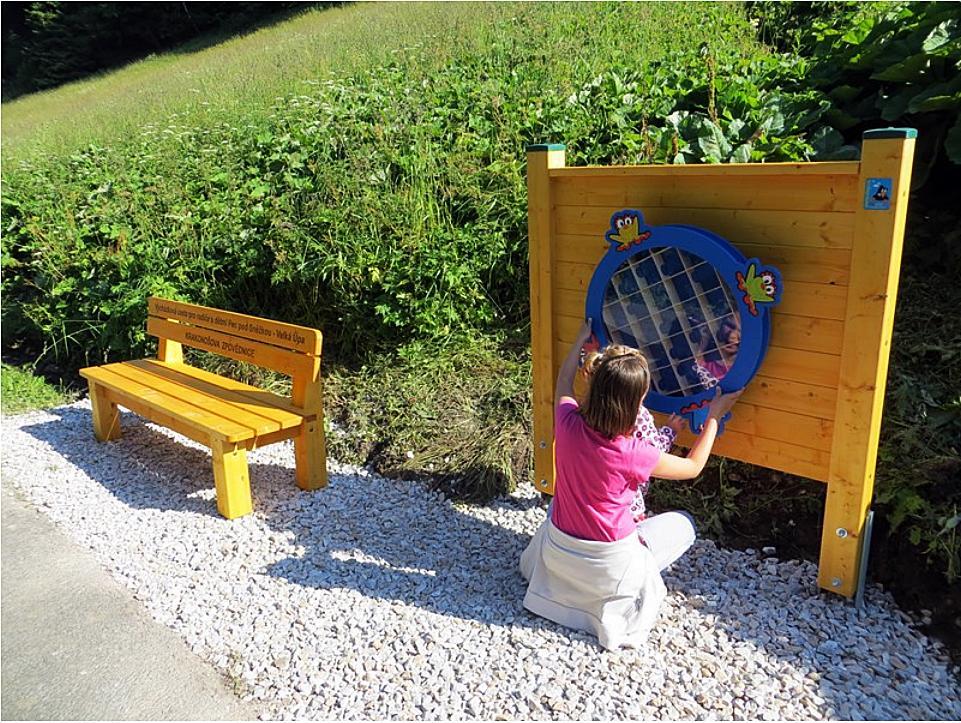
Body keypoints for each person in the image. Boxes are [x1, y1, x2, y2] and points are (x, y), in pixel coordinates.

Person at [519, 319, 740, 649]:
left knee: (557, 507)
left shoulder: (567, 422)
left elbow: (563, 384)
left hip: (561, 551)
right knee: (685, 524)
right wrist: (714, 416)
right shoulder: (633, 452)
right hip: (610, 564)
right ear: (635, 403)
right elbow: (693, 467)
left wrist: (581, 340)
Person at [580, 345, 682, 524]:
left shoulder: (585, 410)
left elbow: (563, 387)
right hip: (626, 506)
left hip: (590, 501)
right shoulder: (639, 417)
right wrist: (670, 430)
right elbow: (654, 452)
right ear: (640, 393)